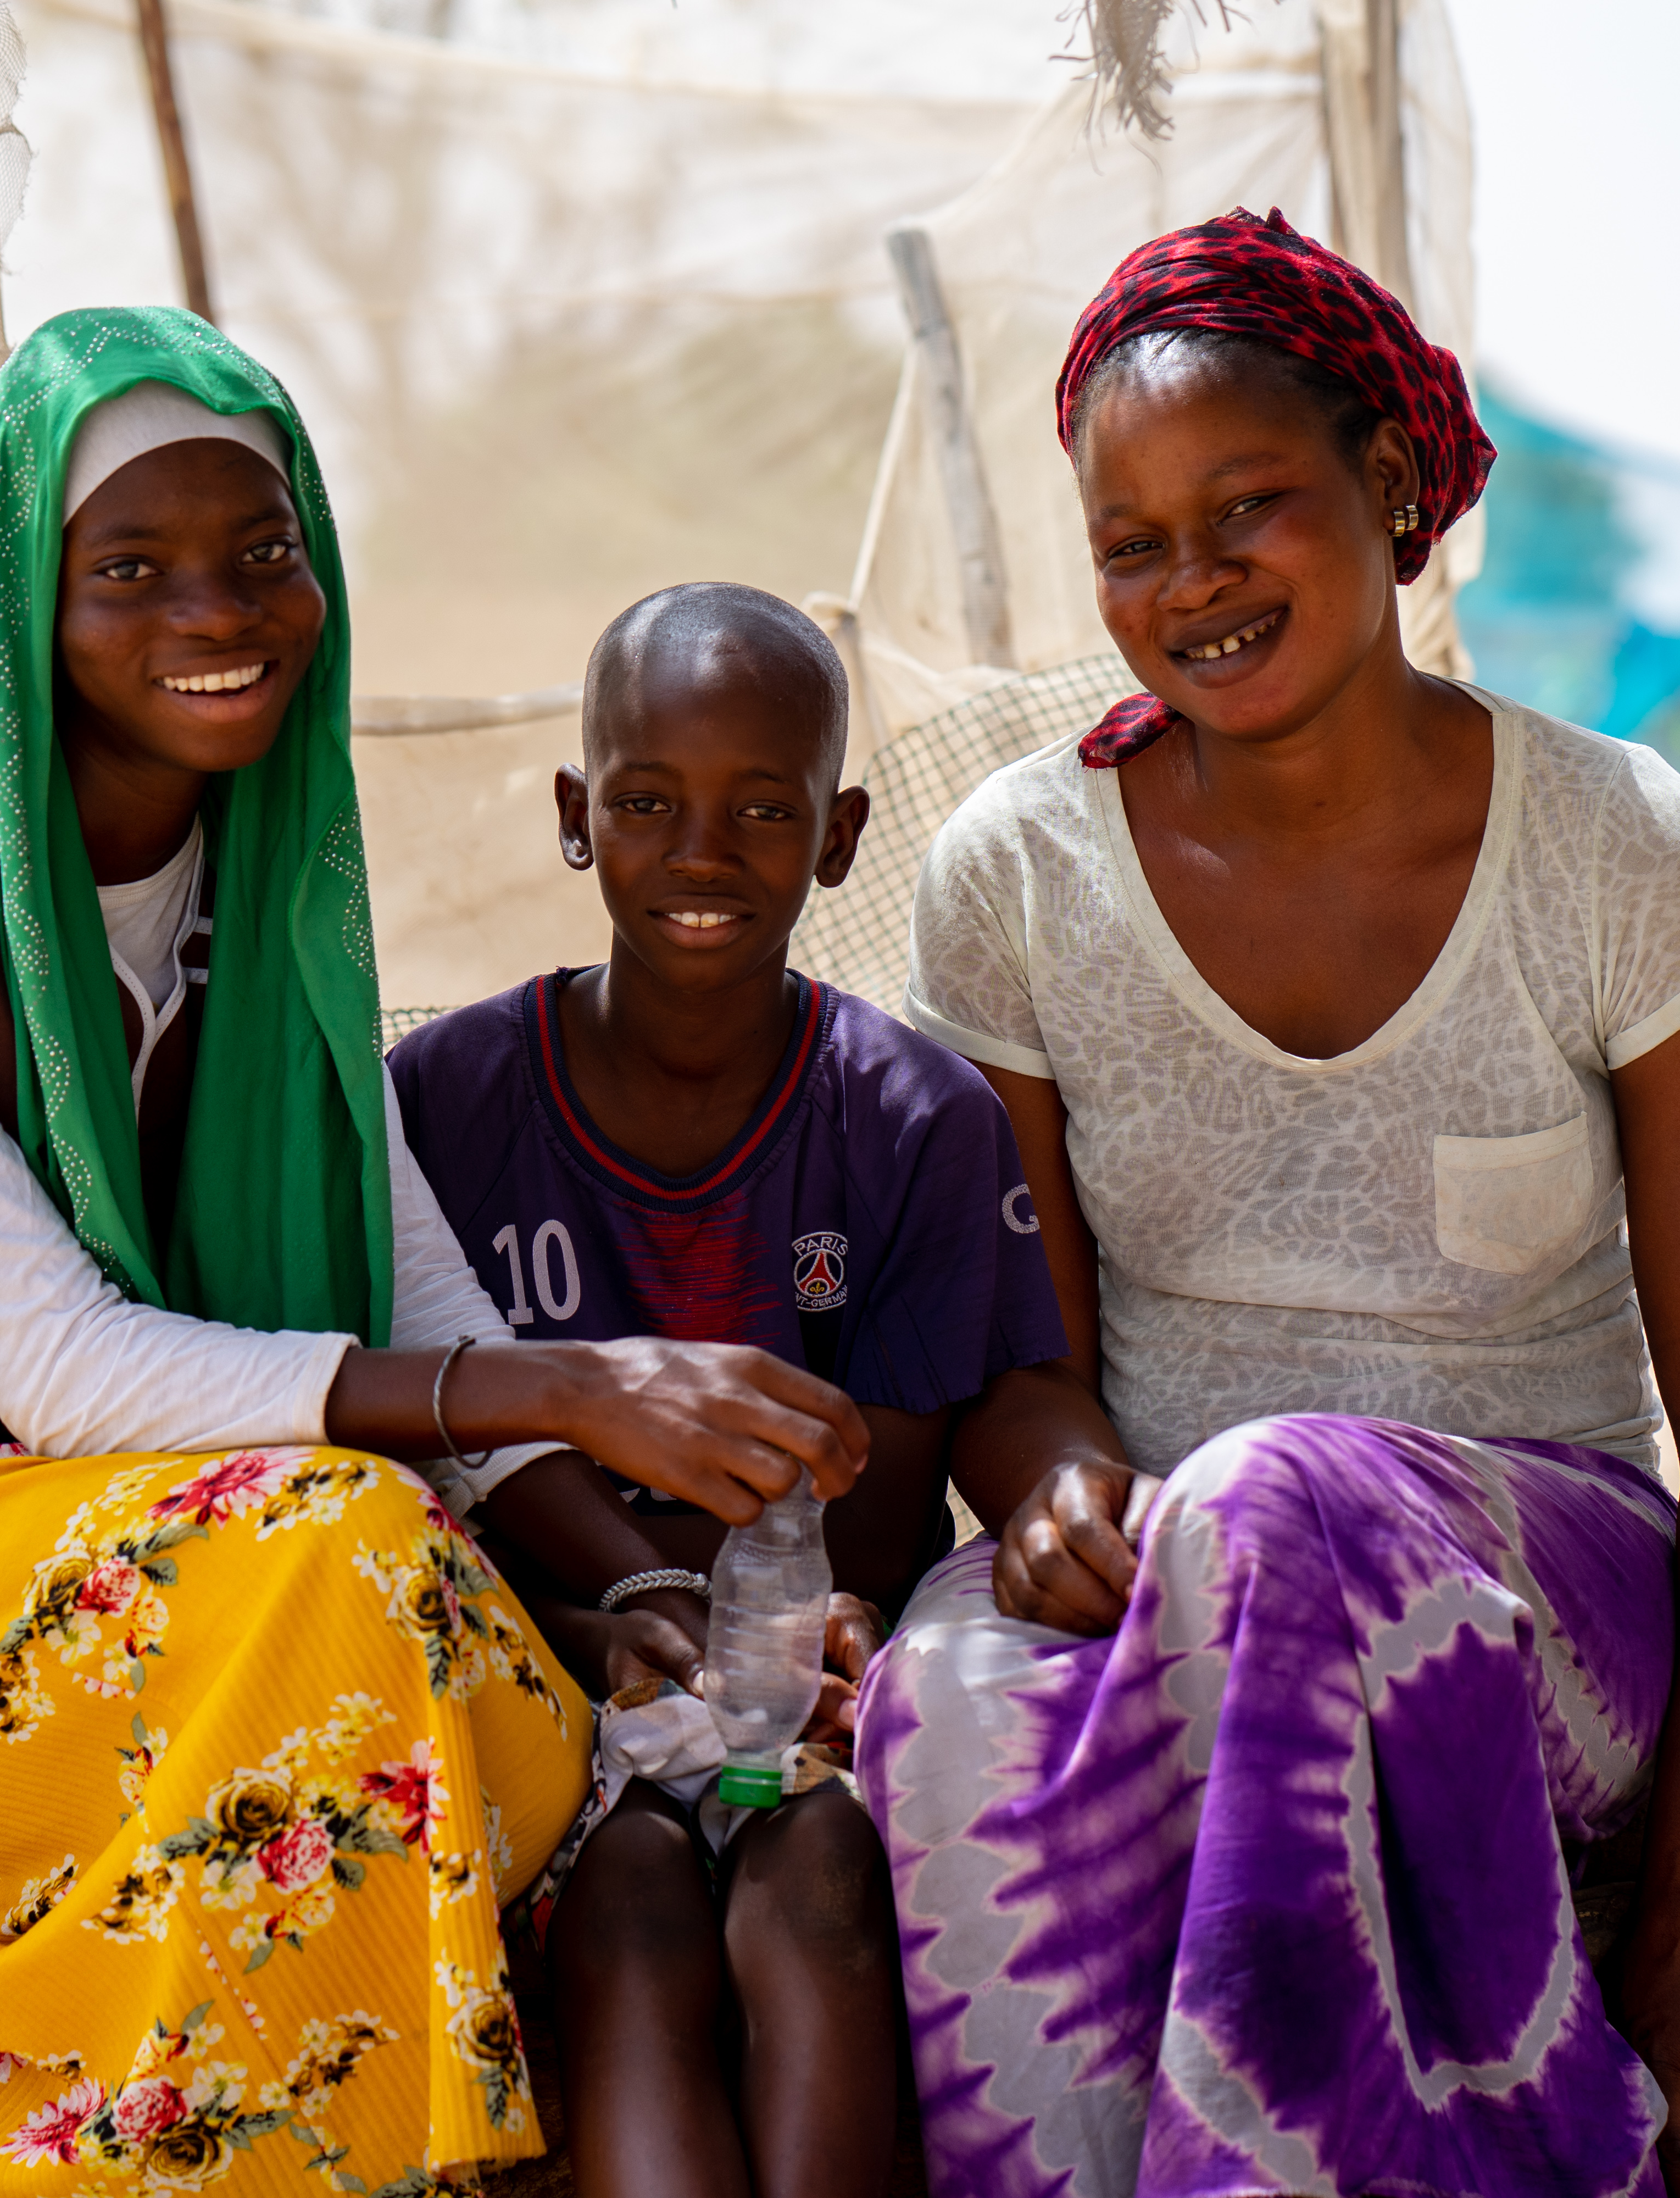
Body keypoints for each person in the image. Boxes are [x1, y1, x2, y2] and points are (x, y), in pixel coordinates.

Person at [0, 309, 867, 2198]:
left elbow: (405, 1287)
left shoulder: (268, 862)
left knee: (528, 1740)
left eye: (261, 555)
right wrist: (574, 1386)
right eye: (130, 571)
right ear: (26, 593)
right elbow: (70, 1370)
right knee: (368, 1606)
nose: (212, 613)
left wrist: (627, 1579)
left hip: (76, 1535)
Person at [857, 208, 1680, 2198]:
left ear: (1390, 489)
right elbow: (1016, 1353)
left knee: (1270, 1497)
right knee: (951, 1683)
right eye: (1132, 544)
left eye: (1249, 509)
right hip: (1173, 1566)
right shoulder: (1020, 872)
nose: (1192, 582)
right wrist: (1046, 1477)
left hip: (1547, 1597)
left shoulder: (1624, 854)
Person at [385, 580, 1084, 2198]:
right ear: (578, 816)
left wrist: (800, 1662)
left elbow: (887, 1514)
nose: (703, 854)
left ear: (838, 838)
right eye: (648, 803)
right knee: (626, 1926)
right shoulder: (444, 1108)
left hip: (812, 1688)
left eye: (762, 810)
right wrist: (608, 1638)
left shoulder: (911, 1120)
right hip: (563, 1687)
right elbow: (422, 1457)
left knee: (824, 1888)